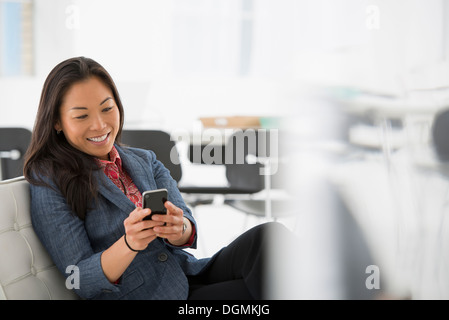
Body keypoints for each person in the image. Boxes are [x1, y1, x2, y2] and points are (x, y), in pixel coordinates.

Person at [23, 56, 284, 300]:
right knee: (262, 289)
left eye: (107, 108)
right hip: (143, 294)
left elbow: (187, 225)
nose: (100, 125)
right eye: (82, 116)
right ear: (57, 122)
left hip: (185, 275)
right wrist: (129, 243)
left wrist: (178, 228)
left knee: (270, 239)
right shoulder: (48, 180)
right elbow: (78, 279)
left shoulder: (143, 160)